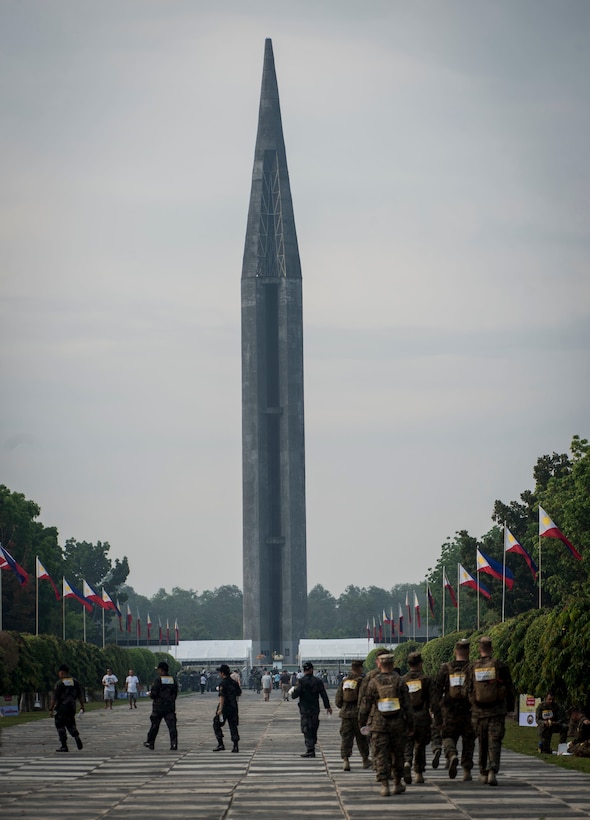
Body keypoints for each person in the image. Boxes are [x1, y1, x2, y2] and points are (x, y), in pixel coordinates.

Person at [358, 653, 414, 797]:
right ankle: (397, 783)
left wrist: (362, 722)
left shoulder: (373, 682)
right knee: (398, 754)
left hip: (378, 725)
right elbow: (408, 706)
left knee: (380, 754)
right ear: (393, 664)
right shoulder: (400, 681)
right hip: (397, 724)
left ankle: (384, 785)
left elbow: (365, 705)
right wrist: (410, 725)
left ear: (379, 664)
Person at [465, 635, 515, 786]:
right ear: (491, 649)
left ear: (479, 649)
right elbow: (509, 688)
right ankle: (492, 770)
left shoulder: (472, 667)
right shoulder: (500, 666)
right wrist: (510, 708)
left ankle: (482, 771)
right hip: (497, 711)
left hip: (479, 712)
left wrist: (472, 704)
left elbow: (467, 689)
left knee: (482, 742)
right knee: (495, 741)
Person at [436, 638, 475, 780]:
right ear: (468, 652)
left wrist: (436, 710)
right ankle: (466, 771)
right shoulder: (473, 667)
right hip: (468, 710)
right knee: (468, 740)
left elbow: (437, 689)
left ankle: (452, 754)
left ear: (455, 652)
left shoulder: (446, 668)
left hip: (449, 710)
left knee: (447, 736)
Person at [402, 651, 440, 785]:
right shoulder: (427, 679)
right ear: (420, 664)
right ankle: (418, 772)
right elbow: (434, 701)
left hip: (407, 716)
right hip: (422, 715)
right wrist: (437, 717)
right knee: (420, 744)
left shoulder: (403, 680)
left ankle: (407, 762)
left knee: (408, 742)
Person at [290, 661, 333, 758]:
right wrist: (328, 707)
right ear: (312, 670)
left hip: (305, 709)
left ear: (304, 670)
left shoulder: (301, 681)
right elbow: (323, 695)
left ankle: (310, 749)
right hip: (315, 708)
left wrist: (293, 690)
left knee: (306, 728)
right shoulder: (318, 681)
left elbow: (294, 695)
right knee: (314, 726)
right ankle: (312, 743)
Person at [334, 659, 371, 771]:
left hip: (345, 714)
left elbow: (338, 701)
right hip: (359, 714)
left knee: (346, 738)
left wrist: (344, 707)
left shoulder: (345, 681)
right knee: (362, 738)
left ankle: (346, 761)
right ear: (360, 668)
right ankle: (365, 760)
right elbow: (365, 699)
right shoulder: (363, 681)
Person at [49, 663, 85, 753]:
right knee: (70, 723)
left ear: (61, 673)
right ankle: (76, 735)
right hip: (72, 707)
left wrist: (51, 708)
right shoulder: (75, 682)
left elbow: (55, 697)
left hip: (61, 707)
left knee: (60, 725)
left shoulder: (60, 683)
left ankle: (64, 745)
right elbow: (80, 695)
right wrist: (82, 706)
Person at [144, 661, 178, 750]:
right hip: (169, 707)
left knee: (154, 726)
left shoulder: (158, 680)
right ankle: (174, 744)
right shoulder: (172, 680)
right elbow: (175, 693)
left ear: (161, 670)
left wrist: (150, 695)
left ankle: (150, 743)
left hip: (158, 707)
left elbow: (154, 694)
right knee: (172, 727)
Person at [213, 663, 242, 752]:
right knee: (233, 726)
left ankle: (221, 743)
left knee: (216, 723)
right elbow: (238, 694)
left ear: (222, 673)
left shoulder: (223, 683)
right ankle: (235, 746)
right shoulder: (234, 683)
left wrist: (220, 709)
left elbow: (222, 696)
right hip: (233, 706)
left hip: (225, 707)